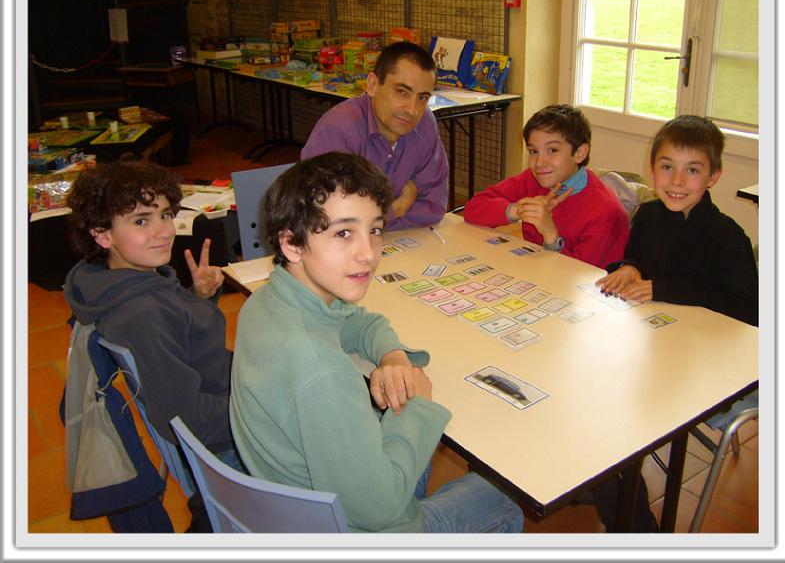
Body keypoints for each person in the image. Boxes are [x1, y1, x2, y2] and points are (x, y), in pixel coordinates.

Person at [229, 152, 523, 533]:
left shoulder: (267, 300)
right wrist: (417, 405)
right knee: (504, 497)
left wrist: (393, 355)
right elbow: (377, 510)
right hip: (356, 532)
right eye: (343, 233)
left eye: (375, 229)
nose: (368, 254)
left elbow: (356, 322)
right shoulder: (322, 372)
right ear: (292, 244)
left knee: (400, 432)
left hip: (296, 507)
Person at [64, 161, 243, 530]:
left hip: (225, 402)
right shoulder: (141, 312)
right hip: (225, 446)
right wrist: (263, 408)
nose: (164, 231)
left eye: (165, 215)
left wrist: (198, 297)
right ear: (102, 234)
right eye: (141, 221)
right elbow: (187, 419)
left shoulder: (120, 281)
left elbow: (176, 341)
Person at [595, 115, 758, 326]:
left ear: (713, 176)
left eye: (692, 170)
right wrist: (630, 267)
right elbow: (636, 257)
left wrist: (665, 289)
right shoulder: (646, 215)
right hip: (650, 329)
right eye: (667, 167)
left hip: (702, 338)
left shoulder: (729, 238)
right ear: (652, 169)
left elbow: (750, 312)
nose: (677, 181)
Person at [300, 41, 449, 230]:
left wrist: (374, 220)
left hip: (401, 240)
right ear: (372, 85)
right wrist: (399, 206)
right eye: (401, 92)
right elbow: (330, 221)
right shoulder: (338, 131)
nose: (412, 110)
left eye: (422, 97)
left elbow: (433, 209)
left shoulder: (425, 125)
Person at [463, 104, 629, 269]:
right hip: (536, 272)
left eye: (552, 150)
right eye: (533, 151)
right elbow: (473, 208)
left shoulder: (605, 212)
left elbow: (584, 277)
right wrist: (519, 210)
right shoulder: (534, 179)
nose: (539, 163)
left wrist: (551, 236)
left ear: (579, 153)